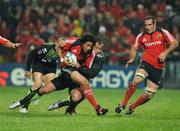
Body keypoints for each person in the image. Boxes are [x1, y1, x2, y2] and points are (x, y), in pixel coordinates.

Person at [9, 35, 108, 116]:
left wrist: (78, 65)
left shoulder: (92, 54)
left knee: (75, 97)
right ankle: (22, 102)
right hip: (68, 70)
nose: (90, 48)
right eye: (88, 45)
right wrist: (61, 59)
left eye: (92, 46)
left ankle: (64, 104)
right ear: (83, 43)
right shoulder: (74, 42)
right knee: (84, 82)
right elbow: (57, 45)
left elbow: (88, 71)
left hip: (75, 74)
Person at [115, 16, 179, 115]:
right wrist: (132, 58)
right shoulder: (141, 36)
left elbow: (175, 43)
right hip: (146, 63)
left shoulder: (162, 32)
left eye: (150, 25)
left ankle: (132, 107)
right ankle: (123, 104)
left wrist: (165, 53)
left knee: (149, 95)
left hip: (158, 67)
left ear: (155, 23)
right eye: (146, 25)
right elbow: (134, 48)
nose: (148, 27)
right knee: (137, 81)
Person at [9, 37, 77, 113]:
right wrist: (28, 70)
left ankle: (36, 95)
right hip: (39, 64)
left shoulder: (66, 51)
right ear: (56, 43)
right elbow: (31, 54)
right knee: (37, 84)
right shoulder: (46, 48)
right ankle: (25, 106)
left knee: (48, 87)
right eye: (60, 44)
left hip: (51, 67)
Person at [47, 39, 105, 115]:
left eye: (100, 49)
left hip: (82, 75)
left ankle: (67, 106)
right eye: (96, 48)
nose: (98, 50)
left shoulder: (99, 57)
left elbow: (92, 74)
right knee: (85, 89)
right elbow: (62, 43)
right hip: (72, 73)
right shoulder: (82, 47)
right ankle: (97, 109)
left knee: (78, 97)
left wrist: (79, 66)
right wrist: (62, 41)